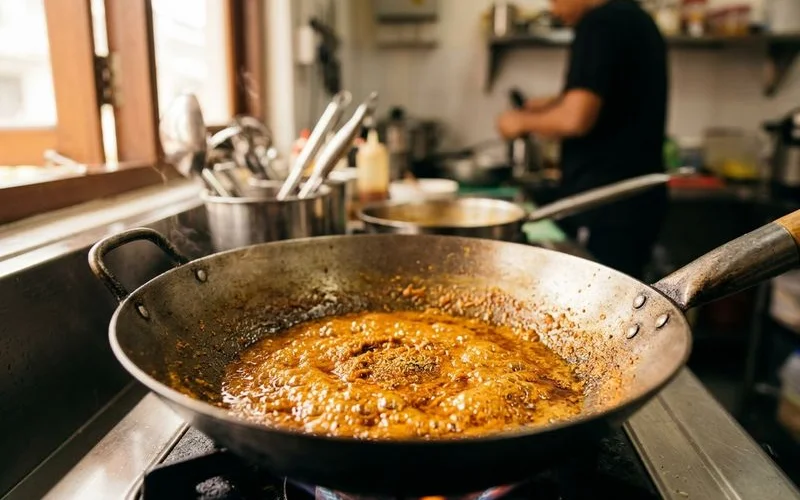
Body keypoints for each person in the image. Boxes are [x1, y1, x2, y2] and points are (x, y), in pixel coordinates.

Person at [496, 0, 669, 280]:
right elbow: (613, 95)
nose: (553, 9)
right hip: (635, 201)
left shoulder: (598, 24)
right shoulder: (636, 18)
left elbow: (575, 119)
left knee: (603, 304)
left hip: (604, 206)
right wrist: (554, 102)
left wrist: (518, 122)